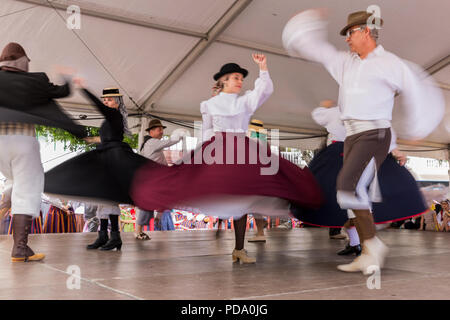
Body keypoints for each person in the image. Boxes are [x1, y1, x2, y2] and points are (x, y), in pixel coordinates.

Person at [283, 9, 444, 274]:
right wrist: (305, 26)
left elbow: (416, 87)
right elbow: (320, 52)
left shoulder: (389, 63)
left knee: (348, 186)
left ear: (365, 32)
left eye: (350, 33)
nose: (346, 39)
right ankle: (369, 250)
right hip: (353, 136)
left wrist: (418, 127)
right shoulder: (347, 63)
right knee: (352, 194)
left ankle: (372, 246)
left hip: (375, 133)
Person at [131, 54, 323, 264]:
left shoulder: (245, 101)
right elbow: (206, 131)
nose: (240, 81)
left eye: (241, 78)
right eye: (235, 77)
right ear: (223, 81)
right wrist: (202, 159)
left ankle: (239, 248)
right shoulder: (209, 104)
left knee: (244, 197)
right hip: (220, 148)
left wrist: (263, 67)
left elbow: (264, 90)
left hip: (243, 148)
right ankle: (234, 243)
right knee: (226, 192)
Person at [0, 42, 85, 262]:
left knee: (12, 183)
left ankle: (6, 207)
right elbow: (61, 92)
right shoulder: (35, 80)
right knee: (27, 189)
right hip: (23, 141)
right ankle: (20, 248)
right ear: (23, 61)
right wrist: (68, 78)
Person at [44, 85, 154, 251]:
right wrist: (92, 139)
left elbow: (100, 109)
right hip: (106, 156)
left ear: (117, 102)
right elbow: (108, 137)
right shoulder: (111, 120)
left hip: (113, 158)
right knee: (102, 197)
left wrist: (84, 89)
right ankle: (103, 235)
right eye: (105, 100)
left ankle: (115, 236)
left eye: (109, 99)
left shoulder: (114, 114)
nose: (106, 102)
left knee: (108, 198)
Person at [135, 119, 182, 239]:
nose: (161, 132)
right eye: (159, 129)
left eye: (162, 129)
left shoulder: (150, 143)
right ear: (151, 131)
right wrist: (180, 134)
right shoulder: (152, 142)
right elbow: (171, 141)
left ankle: (156, 219)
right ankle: (139, 230)